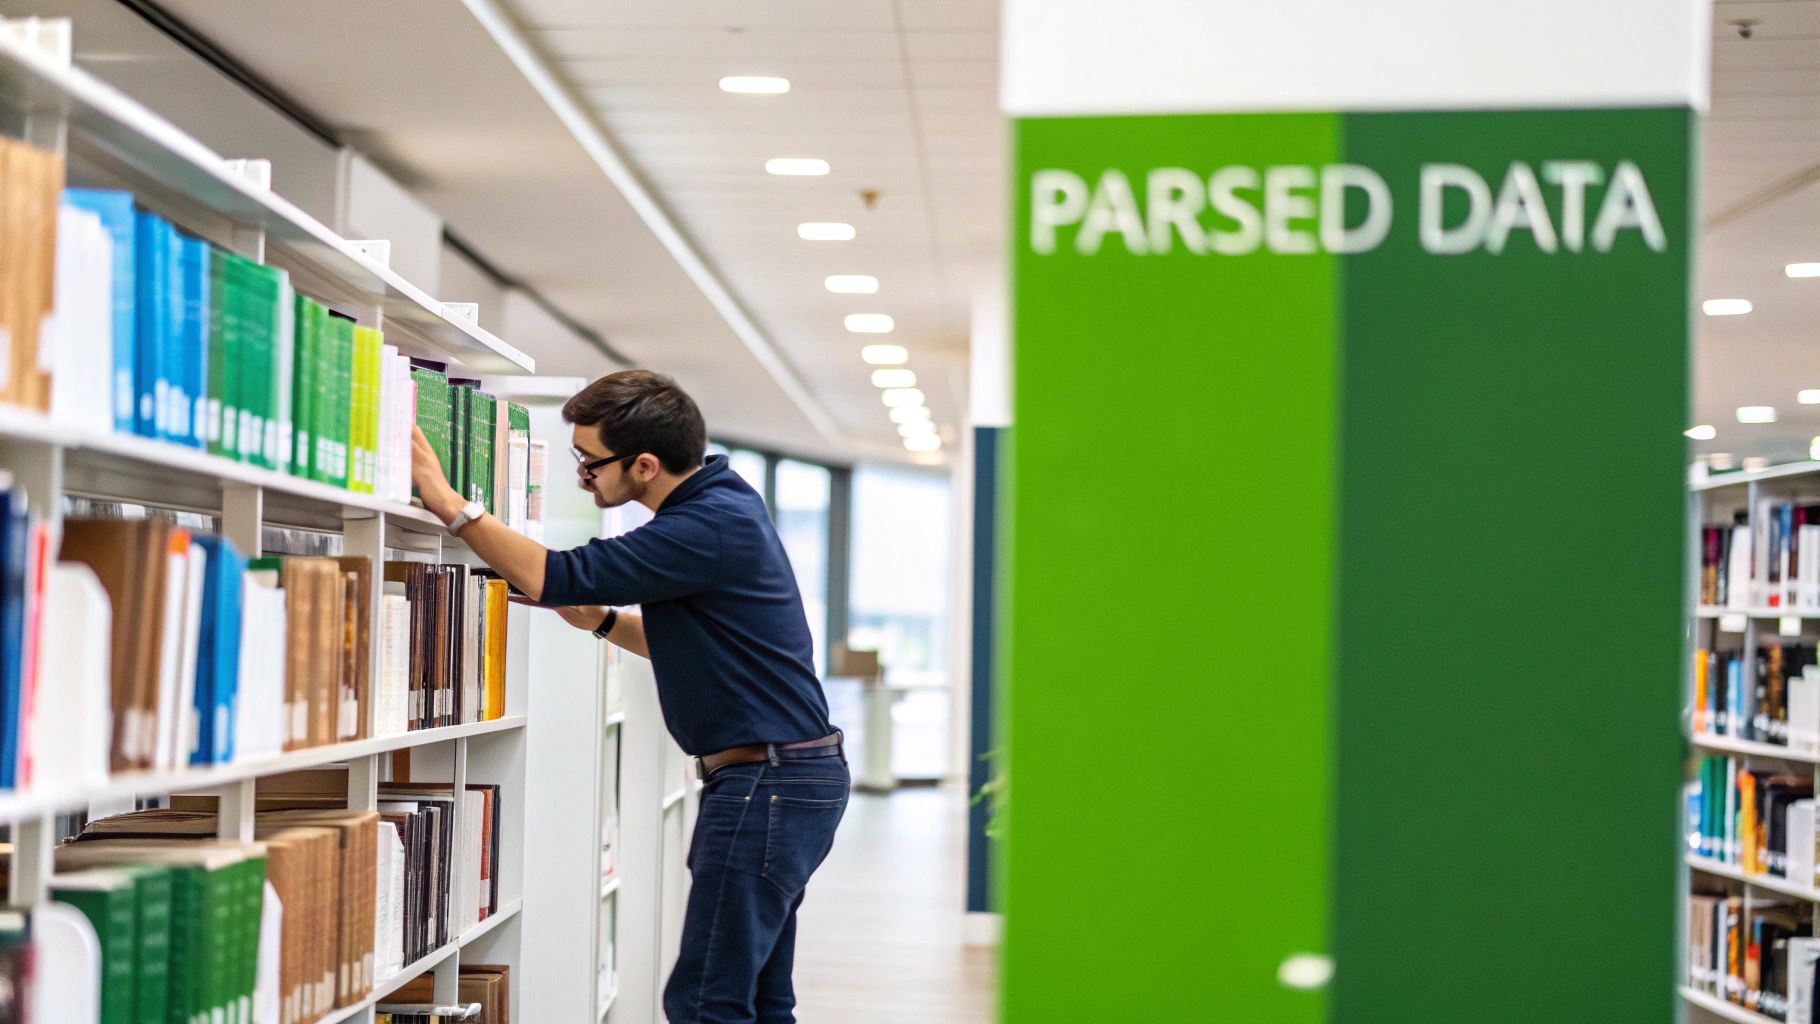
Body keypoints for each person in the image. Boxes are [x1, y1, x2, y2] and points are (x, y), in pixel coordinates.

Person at [409, 369, 847, 1024]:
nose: (582, 476)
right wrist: (604, 621)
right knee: (757, 998)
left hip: (768, 783)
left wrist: (451, 503)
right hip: (788, 777)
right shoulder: (723, 503)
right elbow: (701, 640)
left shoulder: (701, 527)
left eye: (589, 463)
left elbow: (556, 574)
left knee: (705, 1002)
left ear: (644, 465)